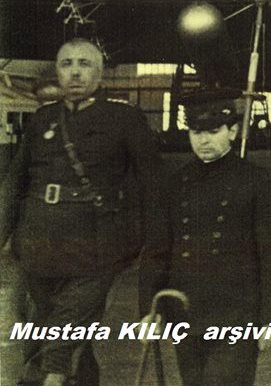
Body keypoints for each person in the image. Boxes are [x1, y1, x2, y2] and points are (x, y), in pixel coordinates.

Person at [1, 38, 161, 386]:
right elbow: (15, 183)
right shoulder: (43, 118)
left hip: (95, 249)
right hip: (37, 245)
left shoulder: (124, 118)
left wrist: (145, 246)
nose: (74, 72)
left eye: (84, 64)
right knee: (50, 333)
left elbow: (151, 187)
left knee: (63, 336)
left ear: (100, 73)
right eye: (66, 64)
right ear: (58, 72)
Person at [139, 89, 271, 386]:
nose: (203, 140)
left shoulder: (256, 181)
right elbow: (157, 251)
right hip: (185, 313)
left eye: (213, 131)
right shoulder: (174, 183)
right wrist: (148, 311)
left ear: (232, 131)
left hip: (237, 313)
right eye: (196, 132)